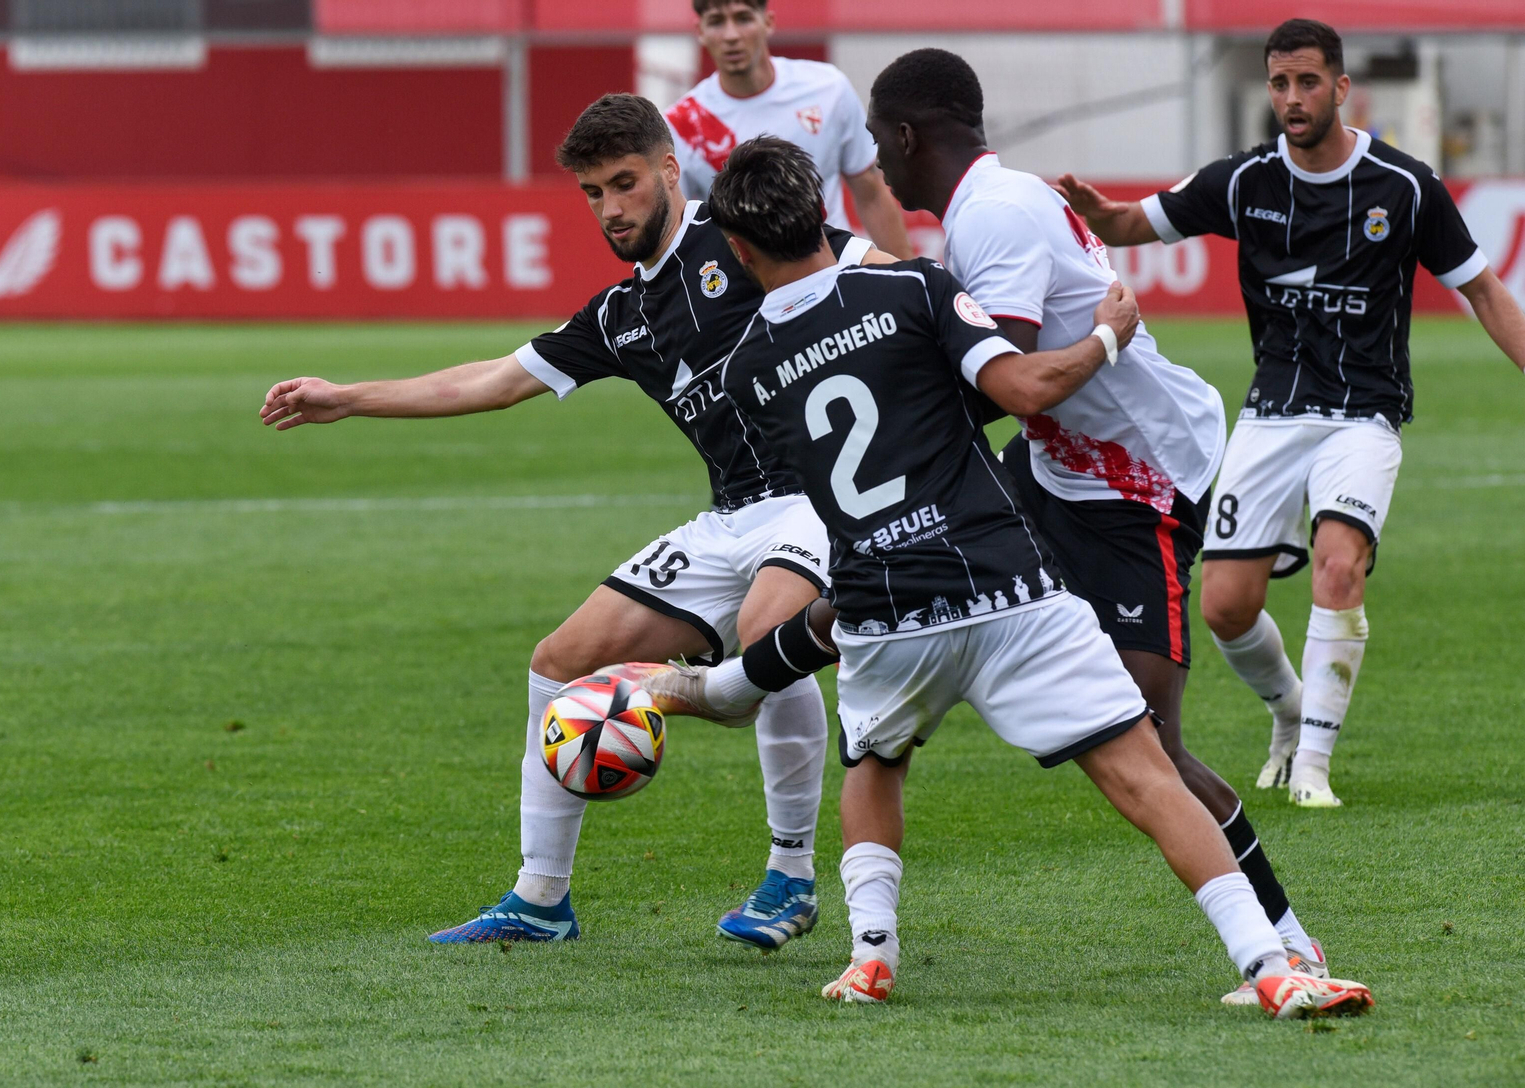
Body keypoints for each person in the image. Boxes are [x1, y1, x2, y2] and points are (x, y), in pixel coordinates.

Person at [642, 46, 1330, 1007]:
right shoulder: (915, 283)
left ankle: (862, 929)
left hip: (1123, 482)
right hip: (1041, 488)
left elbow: (997, 393)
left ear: (739, 250)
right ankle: (1273, 958)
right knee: (1130, 753)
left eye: (878, 140)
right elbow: (999, 387)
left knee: (918, 727)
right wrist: (1106, 331)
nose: (873, 160)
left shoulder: (770, 352)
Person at [261, 93, 886, 949]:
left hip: (817, 497)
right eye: (593, 193)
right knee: (558, 662)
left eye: (625, 183)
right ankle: (540, 898)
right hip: (731, 517)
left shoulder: (740, 235)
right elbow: (492, 380)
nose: (611, 208)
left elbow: (879, 269)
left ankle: (791, 878)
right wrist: (349, 398)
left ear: (670, 168)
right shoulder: (620, 316)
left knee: (767, 635)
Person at [1057, 18, 1525, 808]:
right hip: (1272, 413)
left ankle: (1313, 767)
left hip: (1364, 413)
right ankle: (1288, 709)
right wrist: (1097, 212)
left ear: (1342, 88)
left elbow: (1481, 288)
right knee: (1224, 605)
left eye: (1308, 82)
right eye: (1280, 83)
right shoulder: (1244, 182)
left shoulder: (1405, 187)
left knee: (1339, 565)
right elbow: (1135, 224)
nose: (1292, 98)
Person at [665, 0, 913, 259]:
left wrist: (908, 274)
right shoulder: (681, 123)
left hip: (836, 268)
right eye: (716, 22)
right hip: (744, 279)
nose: (731, 35)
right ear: (700, 31)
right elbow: (680, 229)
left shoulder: (828, 88)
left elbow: (871, 194)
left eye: (743, 18)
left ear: (768, 22)